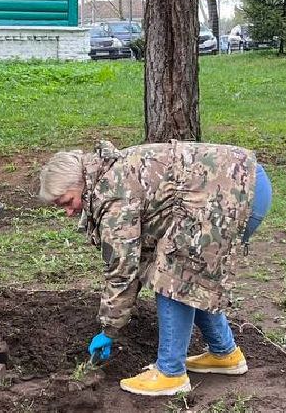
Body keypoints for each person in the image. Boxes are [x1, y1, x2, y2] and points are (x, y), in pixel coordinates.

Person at [38, 141, 273, 397]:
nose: (69, 212)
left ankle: (170, 373)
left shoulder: (112, 194)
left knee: (174, 276)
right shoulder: (107, 175)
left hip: (234, 193)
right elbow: (139, 257)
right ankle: (224, 353)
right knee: (190, 275)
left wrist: (109, 329)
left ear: (78, 183)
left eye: (66, 202)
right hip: (240, 184)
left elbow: (122, 270)